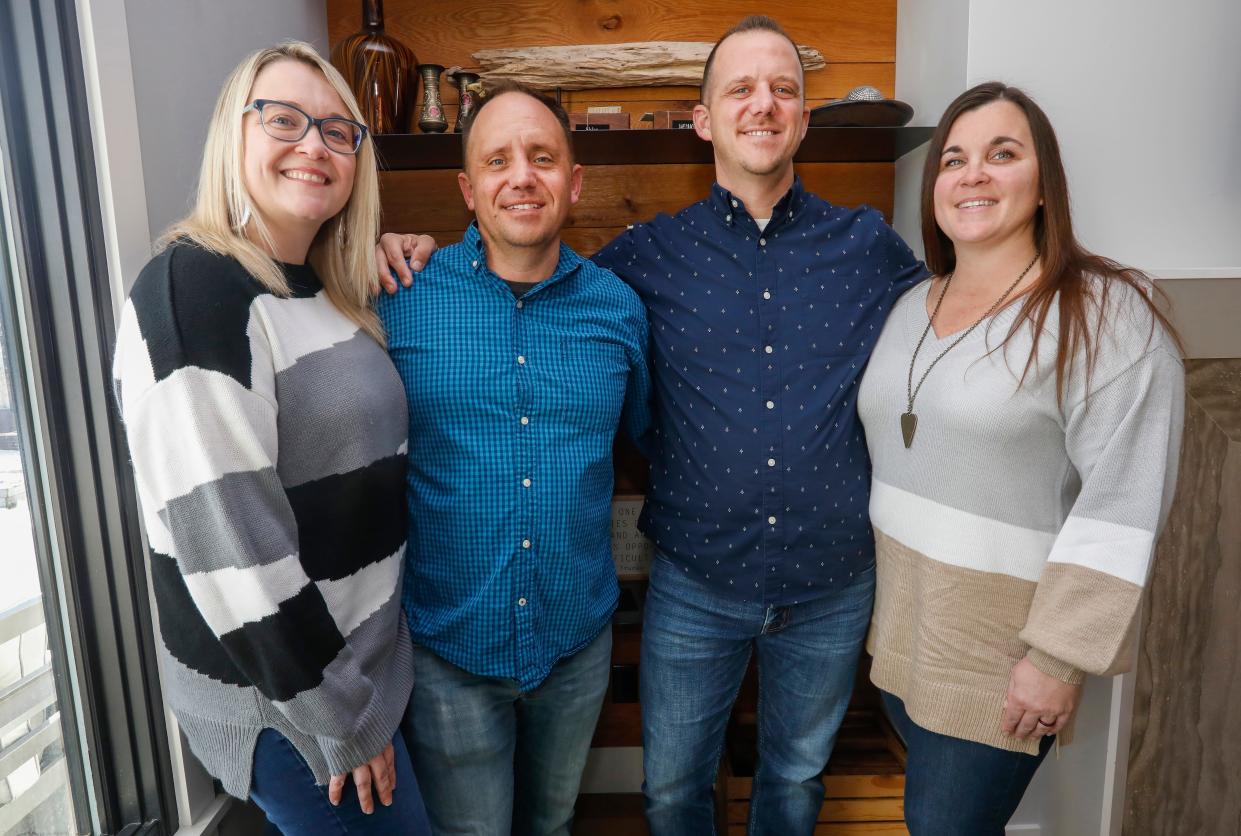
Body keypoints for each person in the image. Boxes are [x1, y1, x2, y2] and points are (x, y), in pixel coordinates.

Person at [379, 16, 926, 835]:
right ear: (702, 119)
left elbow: (952, 324)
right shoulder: (639, 262)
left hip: (832, 580)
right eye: (739, 88)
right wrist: (385, 248)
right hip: (690, 582)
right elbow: (558, 331)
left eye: (783, 89)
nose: (763, 105)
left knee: (795, 781)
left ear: (806, 117)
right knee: (670, 793)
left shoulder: (869, 246)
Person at [112, 42, 430, 834]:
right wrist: (342, 720)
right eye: (283, 120)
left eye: (336, 130)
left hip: (360, 673)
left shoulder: (320, 288)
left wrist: (392, 248)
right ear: (234, 135)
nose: (313, 145)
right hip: (293, 701)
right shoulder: (196, 290)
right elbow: (230, 544)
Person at [856, 81, 1184, 834]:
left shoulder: (1102, 316)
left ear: (1043, 186)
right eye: (954, 159)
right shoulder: (912, 305)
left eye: (1002, 155)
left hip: (1000, 661)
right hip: (903, 641)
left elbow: (1122, 507)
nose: (972, 175)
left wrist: (1058, 659)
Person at [375, 82, 651, 835]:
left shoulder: (618, 308)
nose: (520, 176)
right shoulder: (399, 295)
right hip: (446, 649)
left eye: (542, 157)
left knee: (553, 826)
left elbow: (646, 442)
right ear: (468, 189)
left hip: (576, 642)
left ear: (575, 180)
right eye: (496, 160)